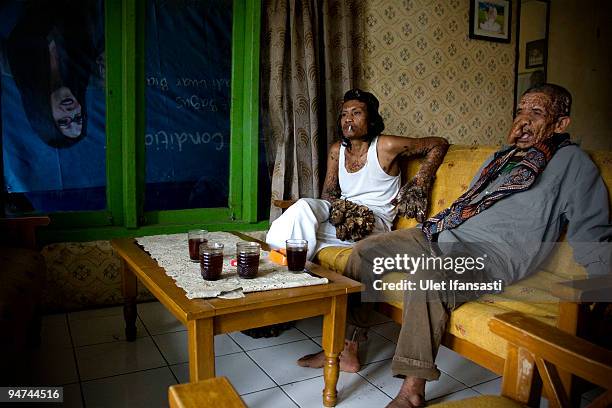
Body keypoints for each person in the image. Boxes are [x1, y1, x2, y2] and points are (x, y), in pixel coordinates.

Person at [298, 84, 611, 407]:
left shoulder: (573, 163)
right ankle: (348, 347)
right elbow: (467, 205)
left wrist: (602, 292)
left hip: (492, 255)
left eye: (536, 113)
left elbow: (593, 231)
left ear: (561, 124)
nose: (523, 121)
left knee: (427, 277)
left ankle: (411, 392)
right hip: (442, 235)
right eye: (520, 111)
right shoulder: (501, 158)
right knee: (367, 250)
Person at [265, 88, 449, 261]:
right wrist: (340, 211)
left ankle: (289, 266)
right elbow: (328, 195)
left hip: (373, 222)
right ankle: (287, 263)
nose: (348, 119)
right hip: (341, 211)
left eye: (356, 113)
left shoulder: (386, 146)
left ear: (371, 120)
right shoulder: (337, 150)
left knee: (296, 231)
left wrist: (420, 182)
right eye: (344, 114)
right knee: (302, 208)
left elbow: (438, 143)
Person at [5, 0, 102, 148]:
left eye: (63, 121)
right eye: (77, 117)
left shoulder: (10, 60)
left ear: (45, 117)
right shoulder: (87, 63)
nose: (71, 112)